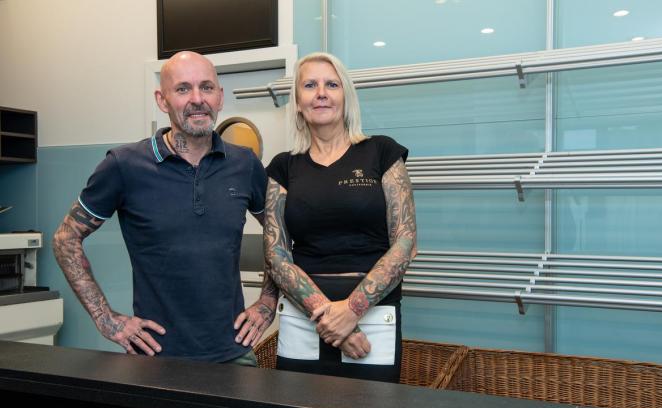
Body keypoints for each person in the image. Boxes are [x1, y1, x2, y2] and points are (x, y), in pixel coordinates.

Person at [53, 51, 278, 364]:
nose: (197, 99)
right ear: (162, 100)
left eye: (206, 87)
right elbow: (65, 238)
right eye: (183, 89)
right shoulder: (124, 165)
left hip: (234, 352)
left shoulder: (244, 163)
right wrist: (107, 320)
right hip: (156, 357)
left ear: (220, 97)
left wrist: (267, 301)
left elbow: (280, 232)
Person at [264, 52, 417, 382]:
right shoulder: (283, 166)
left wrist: (350, 311)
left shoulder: (382, 152)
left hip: (373, 315)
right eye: (310, 85)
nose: (321, 93)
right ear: (298, 102)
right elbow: (276, 255)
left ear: (346, 96)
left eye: (331, 84)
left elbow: (405, 242)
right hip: (304, 315)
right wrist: (327, 316)